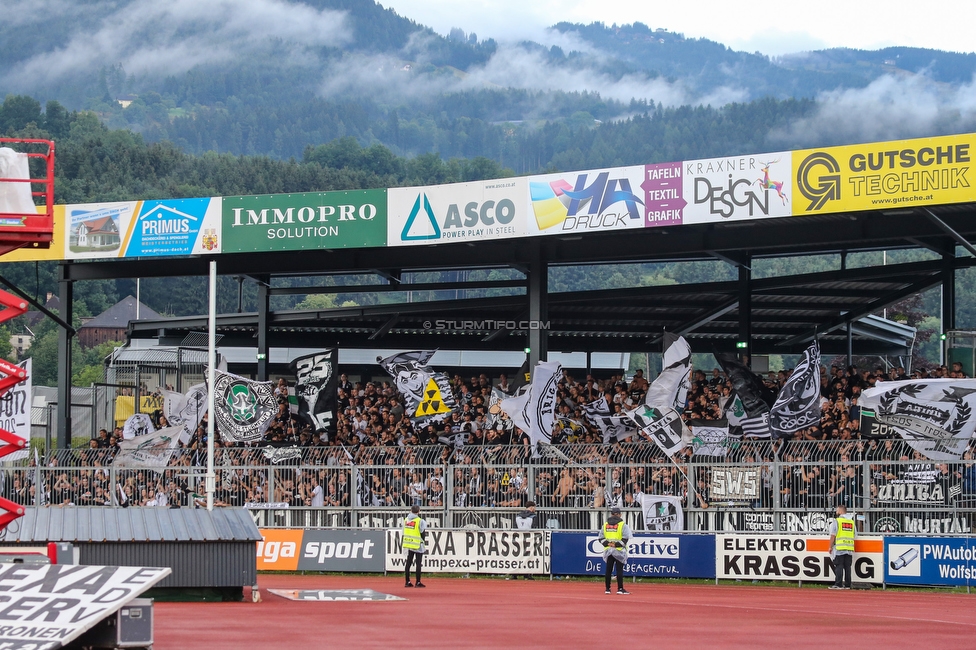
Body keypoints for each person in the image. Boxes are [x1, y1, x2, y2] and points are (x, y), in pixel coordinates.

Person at [599, 506, 632, 595]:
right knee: (619, 570)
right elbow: (625, 539)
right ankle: (620, 588)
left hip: (608, 550)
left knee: (608, 569)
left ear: (611, 514)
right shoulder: (623, 525)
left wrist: (608, 544)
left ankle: (607, 589)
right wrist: (616, 545)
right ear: (620, 515)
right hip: (619, 550)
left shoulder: (605, 524)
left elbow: (600, 538)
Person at [828, 504, 855, 589]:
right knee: (847, 567)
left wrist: (830, 546)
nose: (836, 512)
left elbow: (833, 535)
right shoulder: (851, 522)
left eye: (837, 510)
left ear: (840, 511)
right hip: (849, 548)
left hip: (839, 547)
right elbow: (854, 534)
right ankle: (847, 585)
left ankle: (838, 584)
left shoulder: (837, 521)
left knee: (839, 566)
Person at [402, 505, 427, 588]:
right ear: (419, 511)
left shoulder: (406, 520)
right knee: (418, 563)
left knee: (408, 563)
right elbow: (422, 533)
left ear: (410, 510)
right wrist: (422, 541)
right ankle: (418, 582)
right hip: (417, 543)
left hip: (408, 543)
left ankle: (407, 581)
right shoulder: (420, 521)